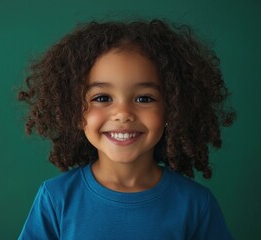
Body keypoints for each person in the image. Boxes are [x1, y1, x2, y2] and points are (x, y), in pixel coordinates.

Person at [17, 19, 236, 240]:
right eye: (102, 98)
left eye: (144, 98)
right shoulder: (56, 199)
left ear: (173, 110)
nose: (123, 113)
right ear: (75, 111)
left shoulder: (196, 205)